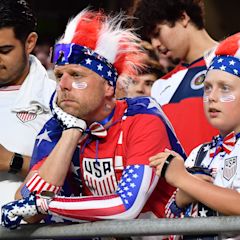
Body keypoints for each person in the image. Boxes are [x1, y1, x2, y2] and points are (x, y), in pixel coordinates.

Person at [1, 8, 186, 230]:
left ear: (109, 85)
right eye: (59, 75)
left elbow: (127, 206)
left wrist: (47, 204)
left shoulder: (142, 117)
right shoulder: (58, 127)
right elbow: (27, 207)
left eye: (77, 75)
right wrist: (71, 133)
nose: (63, 85)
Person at [149, 32, 240, 239]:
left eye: (225, 88)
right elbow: (170, 223)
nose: (212, 97)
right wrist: (181, 198)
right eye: (207, 88)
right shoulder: (199, 152)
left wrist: (184, 179)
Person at [133, 0, 219, 155]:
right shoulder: (161, 86)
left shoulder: (235, 57)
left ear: (183, 17)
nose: (155, 44)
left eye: (157, 33)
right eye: (150, 38)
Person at [0, 0, 56, 219]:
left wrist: (13, 161)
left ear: (30, 42)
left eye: (4, 50)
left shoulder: (59, 98)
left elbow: (80, 175)